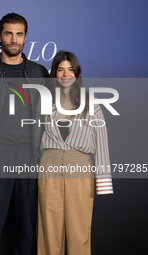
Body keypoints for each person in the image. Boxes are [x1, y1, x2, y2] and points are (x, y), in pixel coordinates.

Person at [0, 13, 49, 255]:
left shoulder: (39, 72)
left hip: (29, 156)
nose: (14, 39)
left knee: (28, 227)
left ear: (25, 37)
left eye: (19, 34)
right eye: (8, 33)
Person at [37, 51, 113, 255]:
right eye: (60, 69)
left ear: (77, 74)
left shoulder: (91, 102)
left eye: (70, 69)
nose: (65, 74)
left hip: (80, 167)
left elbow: (101, 141)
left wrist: (103, 182)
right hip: (49, 166)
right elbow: (34, 137)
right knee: (49, 230)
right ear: (54, 73)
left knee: (79, 230)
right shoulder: (45, 101)